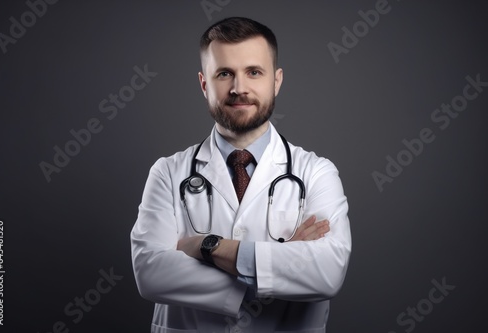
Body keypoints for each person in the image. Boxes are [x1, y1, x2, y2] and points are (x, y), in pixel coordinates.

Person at [131, 17, 351, 333]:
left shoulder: (316, 173)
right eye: (224, 74)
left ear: (276, 81)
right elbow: (150, 274)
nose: (239, 88)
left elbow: (326, 273)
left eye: (253, 72)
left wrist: (207, 247)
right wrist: (278, 265)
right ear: (204, 83)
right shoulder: (167, 173)